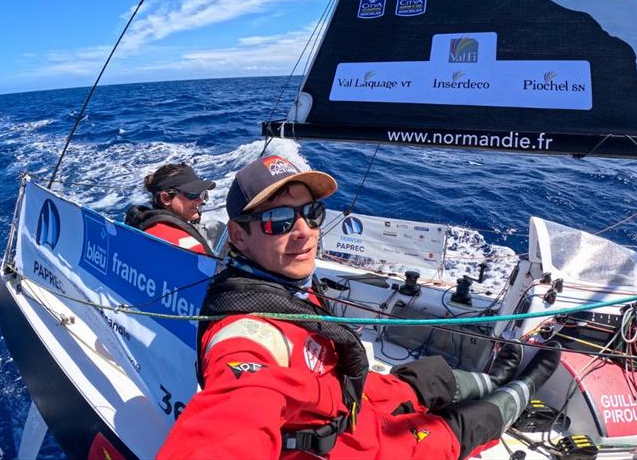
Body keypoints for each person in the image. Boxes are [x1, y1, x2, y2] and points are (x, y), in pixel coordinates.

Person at [158, 155, 562, 460]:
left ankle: (495, 377)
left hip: (347, 394)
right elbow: (236, 411)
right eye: (277, 220)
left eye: (311, 213)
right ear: (239, 236)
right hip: (349, 444)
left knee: (428, 376)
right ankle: (520, 392)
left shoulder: (285, 283)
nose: (303, 232)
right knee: (457, 427)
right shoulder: (247, 332)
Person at [124, 163, 217, 255]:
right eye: (192, 194)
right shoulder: (189, 249)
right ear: (166, 198)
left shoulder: (142, 224)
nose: (200, 200)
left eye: (202, 194)